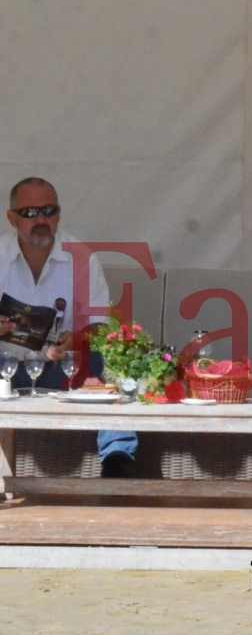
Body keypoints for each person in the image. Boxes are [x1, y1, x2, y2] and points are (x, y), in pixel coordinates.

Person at [0, 177, 138, 476]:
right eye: (30, 213)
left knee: (110, 366)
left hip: (63, 367)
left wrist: (76, 339)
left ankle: (117, 460)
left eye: (49, 211)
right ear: (11, 218)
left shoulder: (81, 256)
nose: (41, 220)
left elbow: (99, 324)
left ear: (59, 215)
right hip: (4, 369)